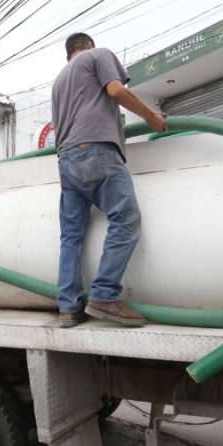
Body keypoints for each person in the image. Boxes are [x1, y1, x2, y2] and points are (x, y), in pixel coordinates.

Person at [51, 33, 168, 328]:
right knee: (125, 219)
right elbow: (116, 91)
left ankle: (68, 307)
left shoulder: (59, 81)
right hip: (96, 151)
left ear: (68, 53)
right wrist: (151, 116)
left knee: (71, 236)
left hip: (66, 160)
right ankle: (104, 295)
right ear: (88, 45)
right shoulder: (99, 54)